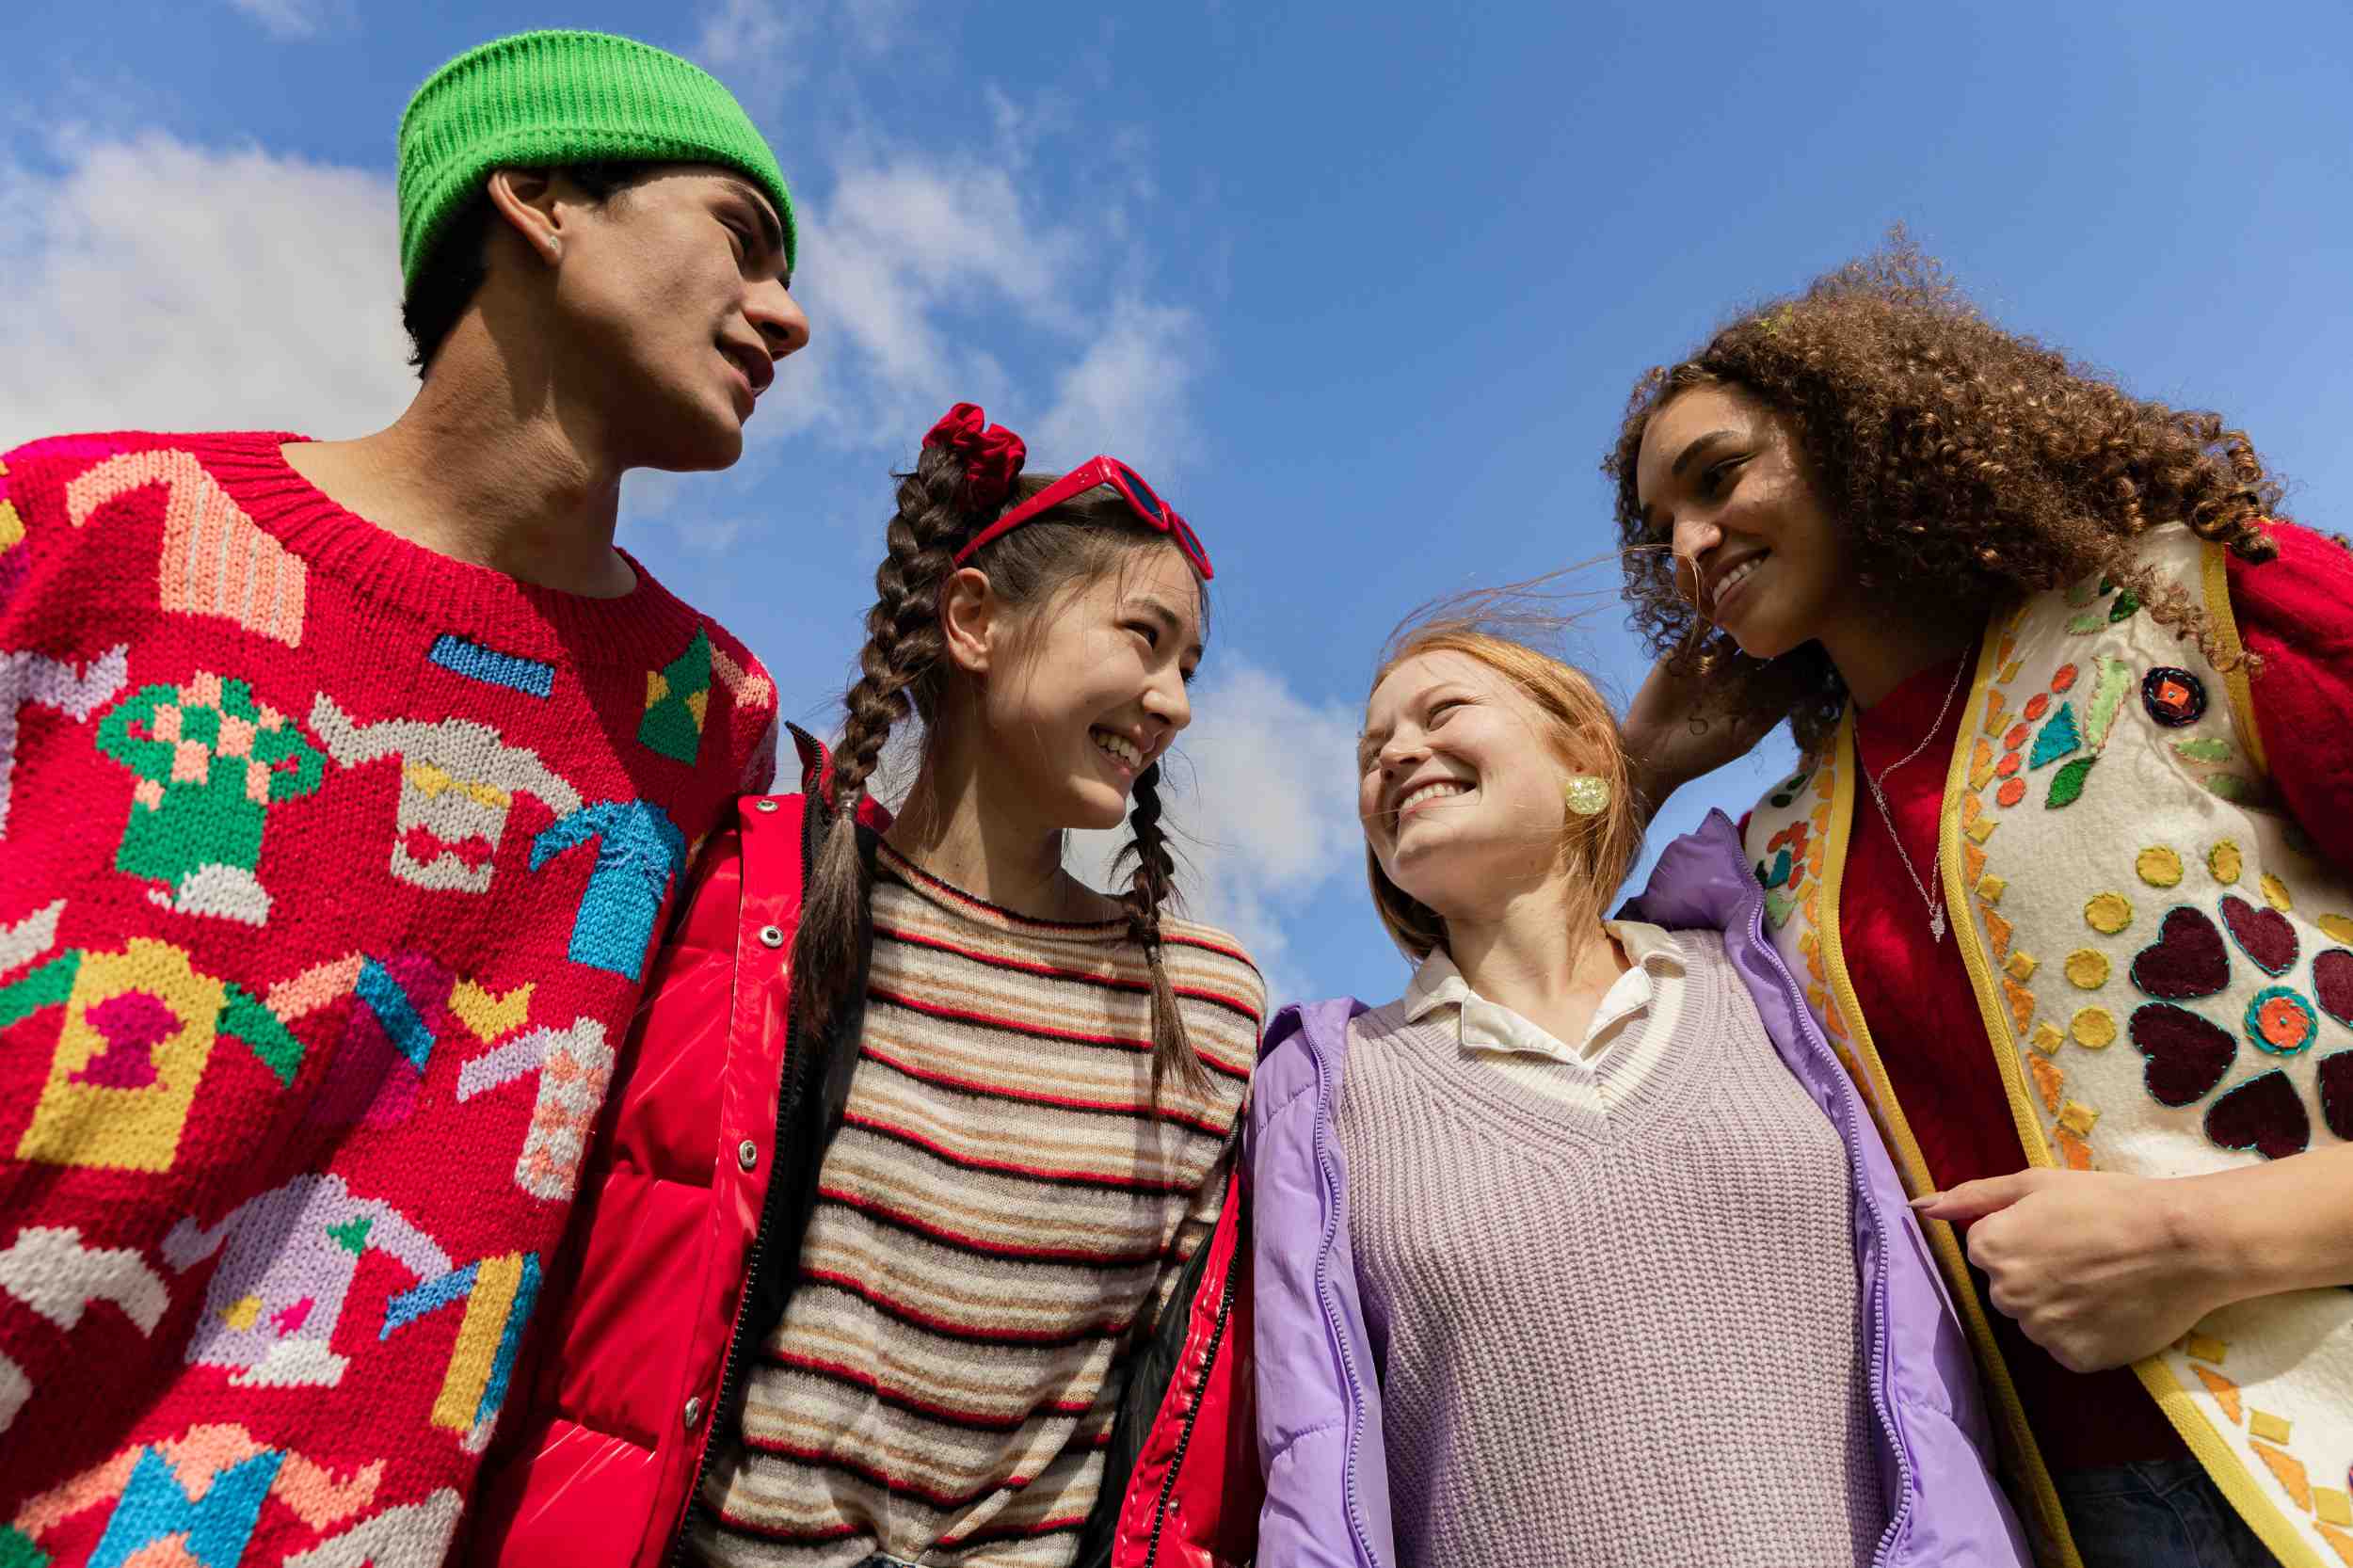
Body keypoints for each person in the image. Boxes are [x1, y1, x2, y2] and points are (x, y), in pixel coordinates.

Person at [0, 29, 803, 1565]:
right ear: (542, 198)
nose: (789, 311)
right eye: (740, 236)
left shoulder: (710, 719)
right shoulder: (86, 529)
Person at [1611, 238, 2353, 1568]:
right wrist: (1639, 770)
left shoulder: (2190, 610)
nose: (1689, 547)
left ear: (1856, 435)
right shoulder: (1768, 860)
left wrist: (2201, 1236)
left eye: (1717, 480)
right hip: (2054, 1518)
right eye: (1660, 530)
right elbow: (1512, 1015)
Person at [466, 405, 1265, 1568]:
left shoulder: (1205, 1007)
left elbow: (1164, 1401)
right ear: (976, 619)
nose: (1176, 701)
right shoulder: (767, 910)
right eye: (1142, 638)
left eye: (1188, 667)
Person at [1250, 621, 2026, 1568]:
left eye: (1441, 712)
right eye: (1373, 753)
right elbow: (1312, 1461)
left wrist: (1637, 759)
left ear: (1581, 753)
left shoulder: (1766, 960)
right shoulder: (1322, 1090)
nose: (1397, 753)